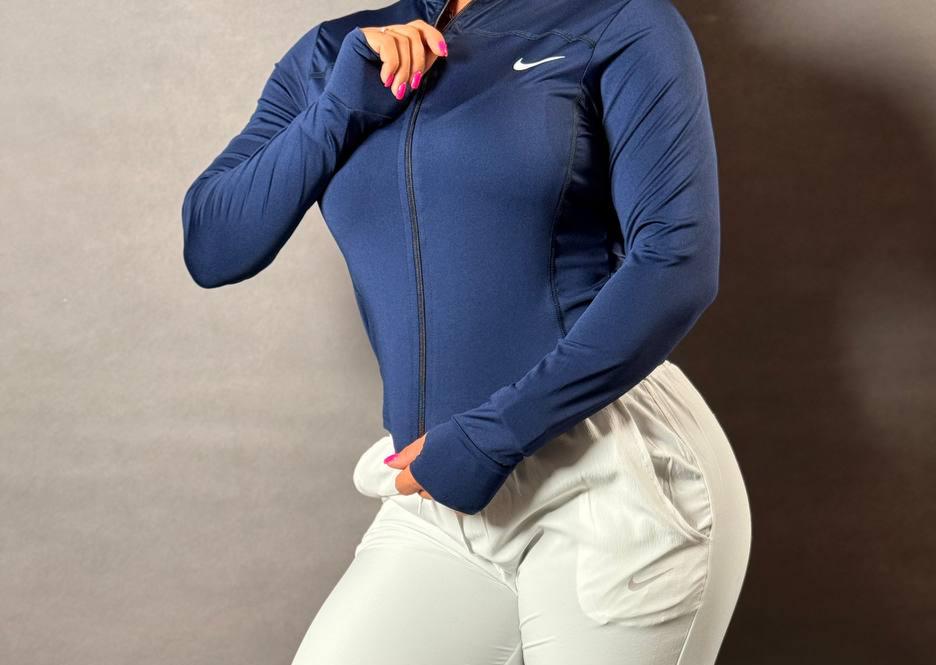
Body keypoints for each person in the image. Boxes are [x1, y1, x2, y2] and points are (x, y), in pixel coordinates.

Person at [180, 0, 752, 662]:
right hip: (444, 490)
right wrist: (340, 107)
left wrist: (490, 438)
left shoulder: (620, 20)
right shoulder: (335, 52)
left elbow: (676, 263)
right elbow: (214, 246)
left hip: (610, 476)